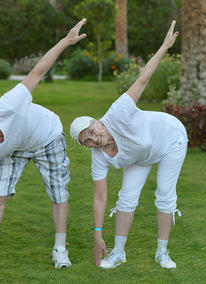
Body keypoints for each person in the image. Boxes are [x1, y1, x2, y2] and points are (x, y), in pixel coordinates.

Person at [0, 19, 87, 269]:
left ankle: (60, 249)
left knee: (58, 192)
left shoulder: (6, 106)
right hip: (14, 149)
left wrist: (66, 42)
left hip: (46, 135)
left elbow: (37, 71)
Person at [69, 21, 186, 269]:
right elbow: (99, 198)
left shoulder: (118, 112)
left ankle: (162, 253)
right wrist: (98, 234)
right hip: (140, 156)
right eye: (86, 142)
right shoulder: (99, 157)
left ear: (98, 123)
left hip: (170, 139)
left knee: (165, 195)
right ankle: (118, 253)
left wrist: (165, 46)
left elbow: (142, 80)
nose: (93, 140)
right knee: (126, 199)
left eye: (91, 132)